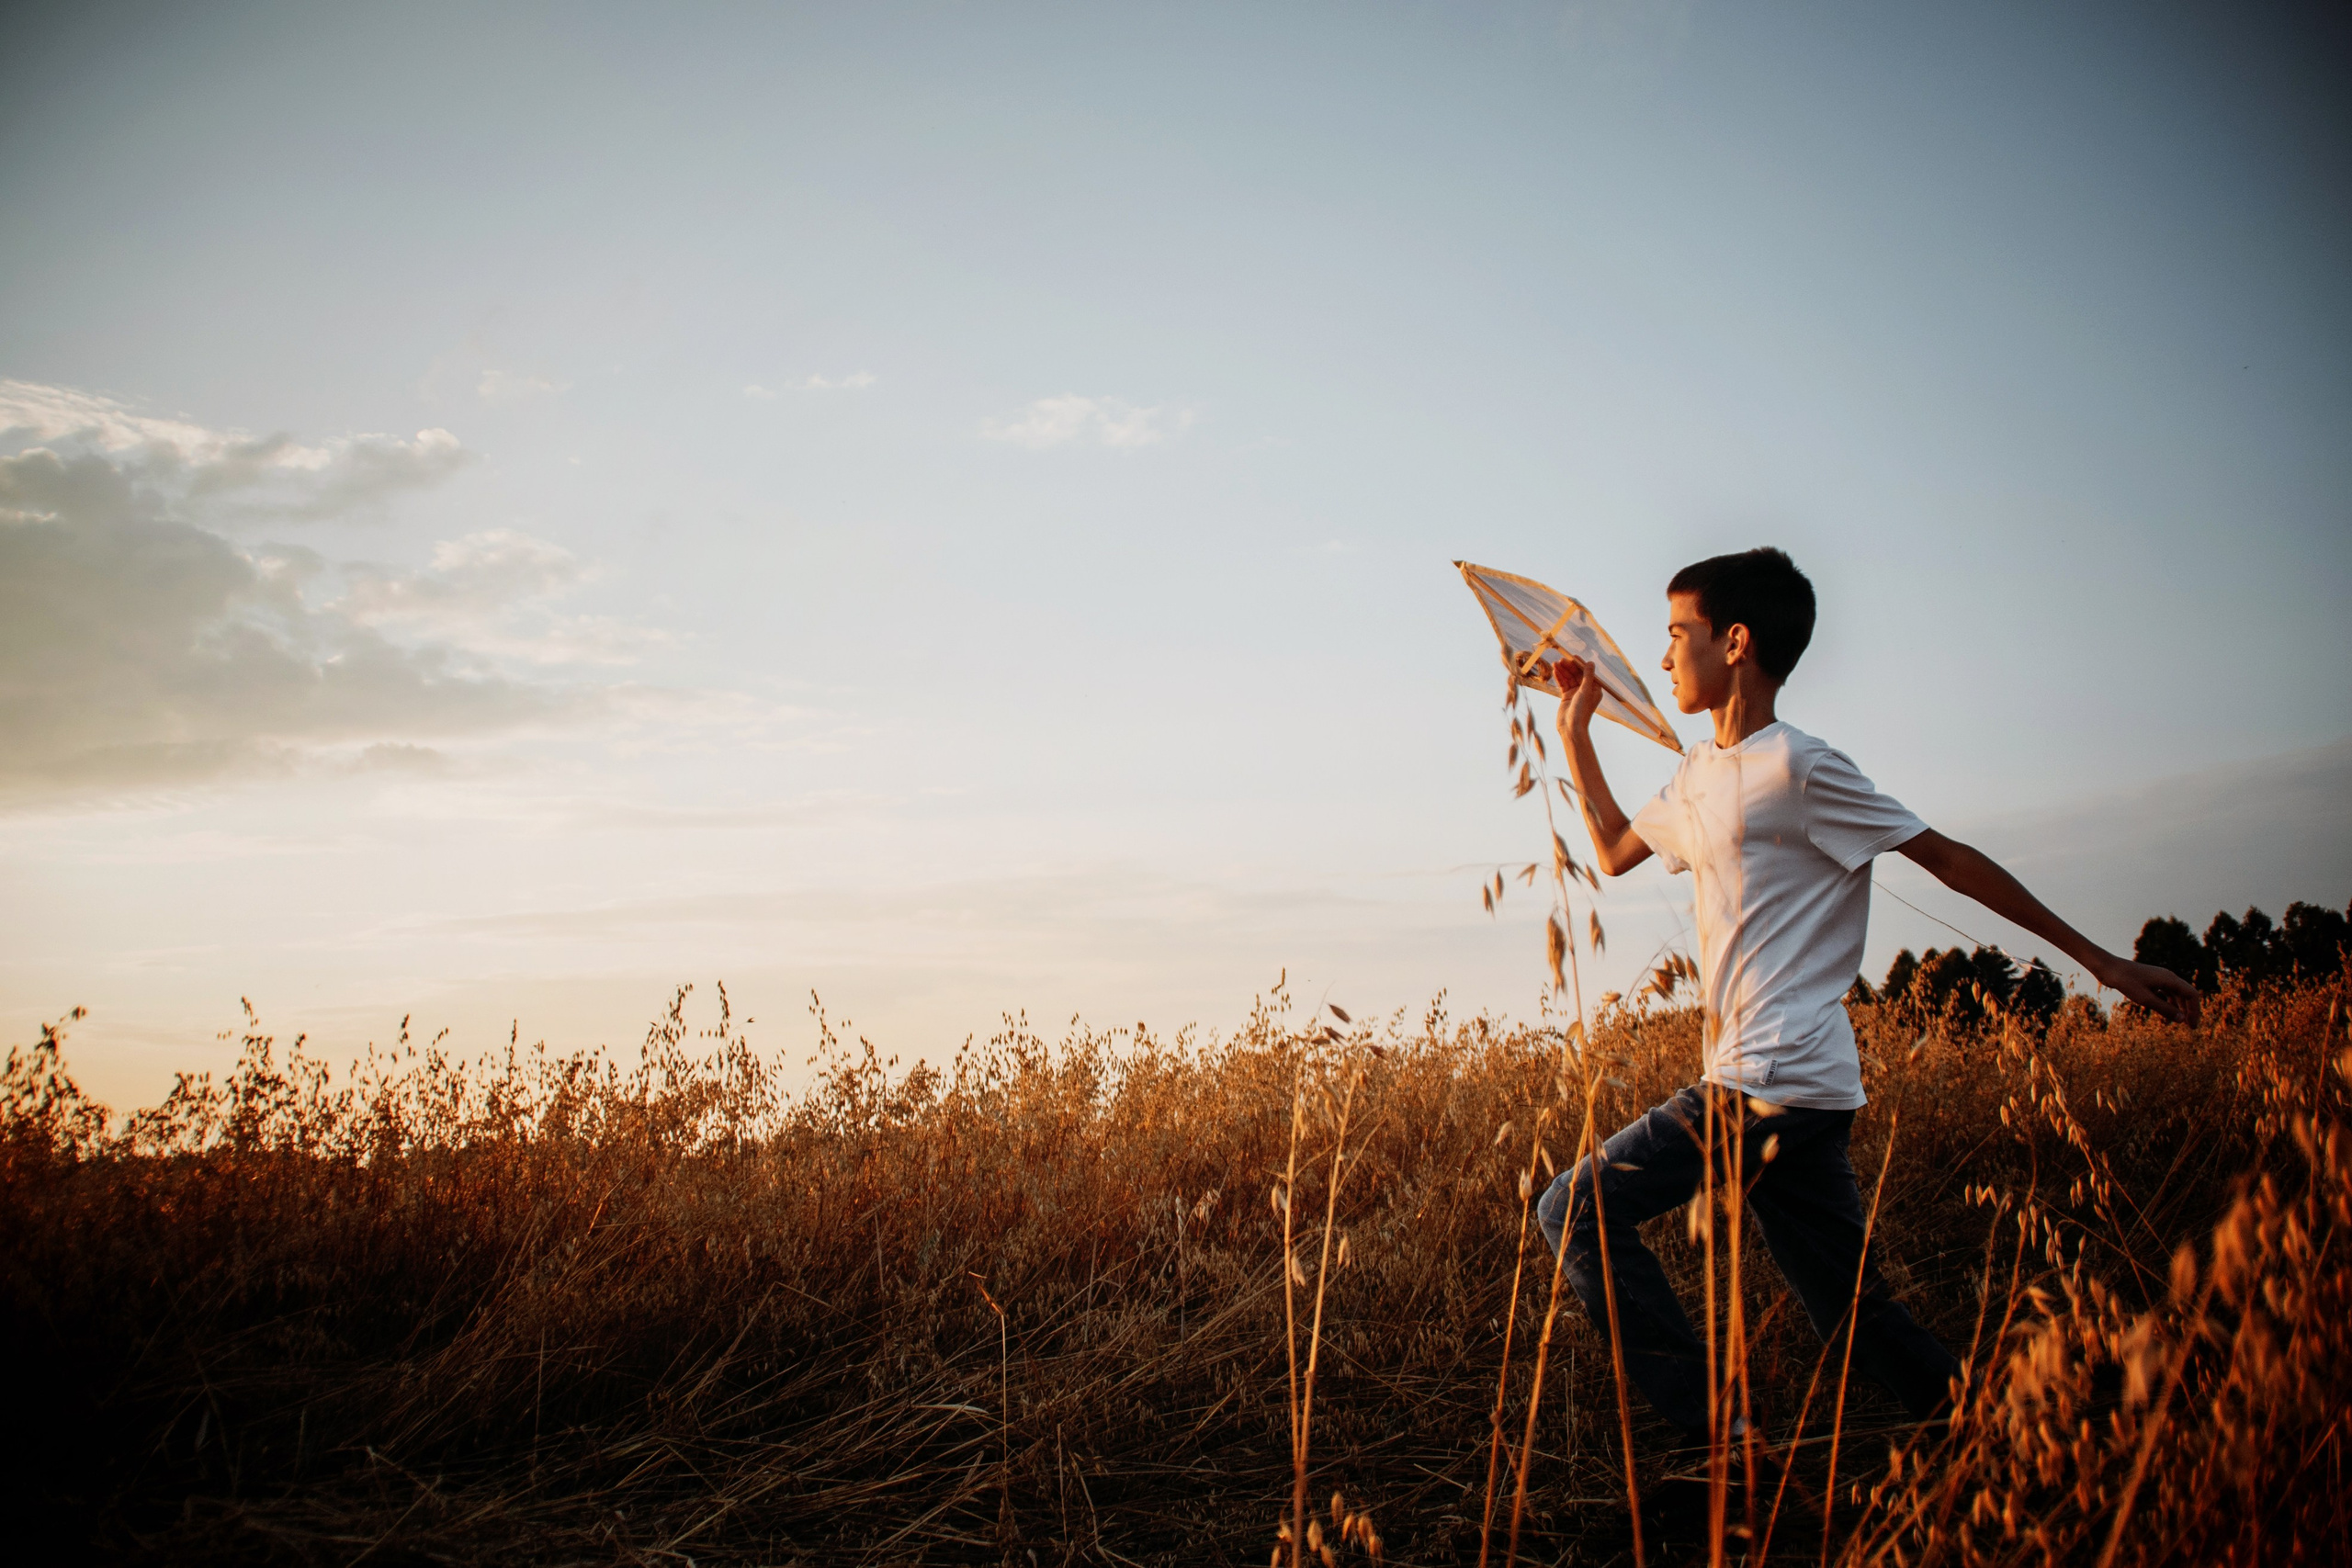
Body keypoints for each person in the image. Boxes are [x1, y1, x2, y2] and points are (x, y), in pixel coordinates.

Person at [1533, 547, 2199, 1448]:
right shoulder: (1697, 777)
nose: (1660, 659)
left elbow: (1948, 861)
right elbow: (1612, 851)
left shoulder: (1800, 767)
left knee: (1571, 1207)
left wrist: (2100, 962)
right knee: (1856, 1321)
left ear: (1734, 642)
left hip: (1768, 1078)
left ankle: (1720, 1447)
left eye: (1673, 636)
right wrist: (1575, 729)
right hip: (1800, 1088)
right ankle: (2018, 1438)